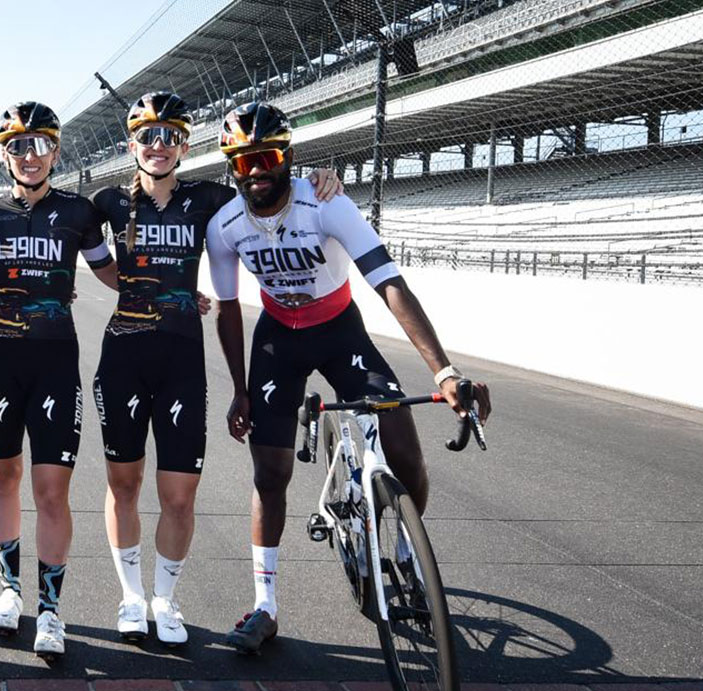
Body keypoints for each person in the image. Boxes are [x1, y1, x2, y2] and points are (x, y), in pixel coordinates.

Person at [205, 102, 492, 654]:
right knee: (270, 474)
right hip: (276, 339)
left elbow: (389, 283)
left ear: (288, 157)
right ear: (231, 168)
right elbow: (227, 308)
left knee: (404, 450)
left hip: (340, 331)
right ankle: (265, 605)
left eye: (266, 158)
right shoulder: (225, 226)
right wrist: (240, 389)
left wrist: (444, 370)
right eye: (243, 161)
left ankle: (406, 549)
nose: (256, 171)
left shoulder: (327, 202)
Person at [88, 92, 344, 645]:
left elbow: (269, 188)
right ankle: (131, 596)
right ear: (131, 145)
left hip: (181, 361)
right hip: (122, 358)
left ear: (185, 145)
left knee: (180, 496)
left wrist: (322, 179)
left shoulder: (208, 198)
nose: (159, 146)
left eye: (171, 136)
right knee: (125, 486)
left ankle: (164, 599)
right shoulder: (106, 201)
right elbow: (46, 215)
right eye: (148, 136)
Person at [0, 101, 112, 661]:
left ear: (57, 151)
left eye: (41, 145)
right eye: (17, 147)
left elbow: (111, 272)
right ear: (4, 155)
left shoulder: (78, 211)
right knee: (2, 477)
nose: (30, 156)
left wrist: (173, 287)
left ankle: (51, 610)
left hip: (54, 363)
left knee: (52, 490)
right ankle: (10, 590)